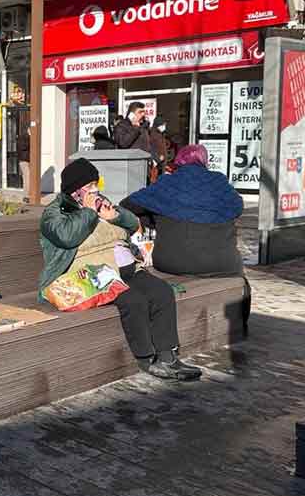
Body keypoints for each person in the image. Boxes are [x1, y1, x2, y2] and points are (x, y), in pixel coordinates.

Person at [39, 158, 202, 381]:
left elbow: (133, 224)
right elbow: (66, 237)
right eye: (90, 185)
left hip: (125, 268)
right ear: (75, 189)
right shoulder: (55, 212)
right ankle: (147, 360)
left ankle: (168, 357)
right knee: (133, 301)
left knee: (162, 292)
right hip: (88, 274)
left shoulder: (100, 202)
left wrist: (115, 216)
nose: (95, 190)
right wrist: (88, 212)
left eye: (97, 184)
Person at [120, 144, 244, 277]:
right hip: (224, 262)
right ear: (204, 161)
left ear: (178, 161)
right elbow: (237, 207)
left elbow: (127, 204)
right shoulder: (219, 181)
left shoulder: (167, 183)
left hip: (172, 262)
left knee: (154, 212)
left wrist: (154, 218)